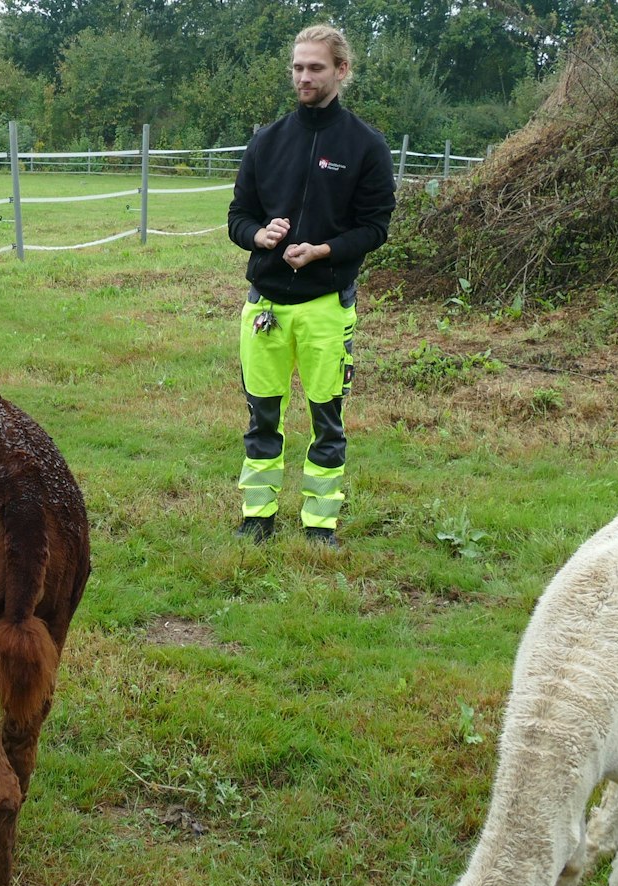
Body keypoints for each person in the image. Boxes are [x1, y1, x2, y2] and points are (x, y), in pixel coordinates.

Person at [227, 25, 396, 547]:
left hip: (326, 306)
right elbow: (238, 217)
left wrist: (324, 250)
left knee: (327, 420)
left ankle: (319, 525)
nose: (304, 76)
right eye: (298, 67)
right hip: (266, 306)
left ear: (341, 71)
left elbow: (375, 228)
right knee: (263, 417)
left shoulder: (366, 146)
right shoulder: (267, 140)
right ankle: (257, 518)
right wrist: (259, 235)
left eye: (315, 67)